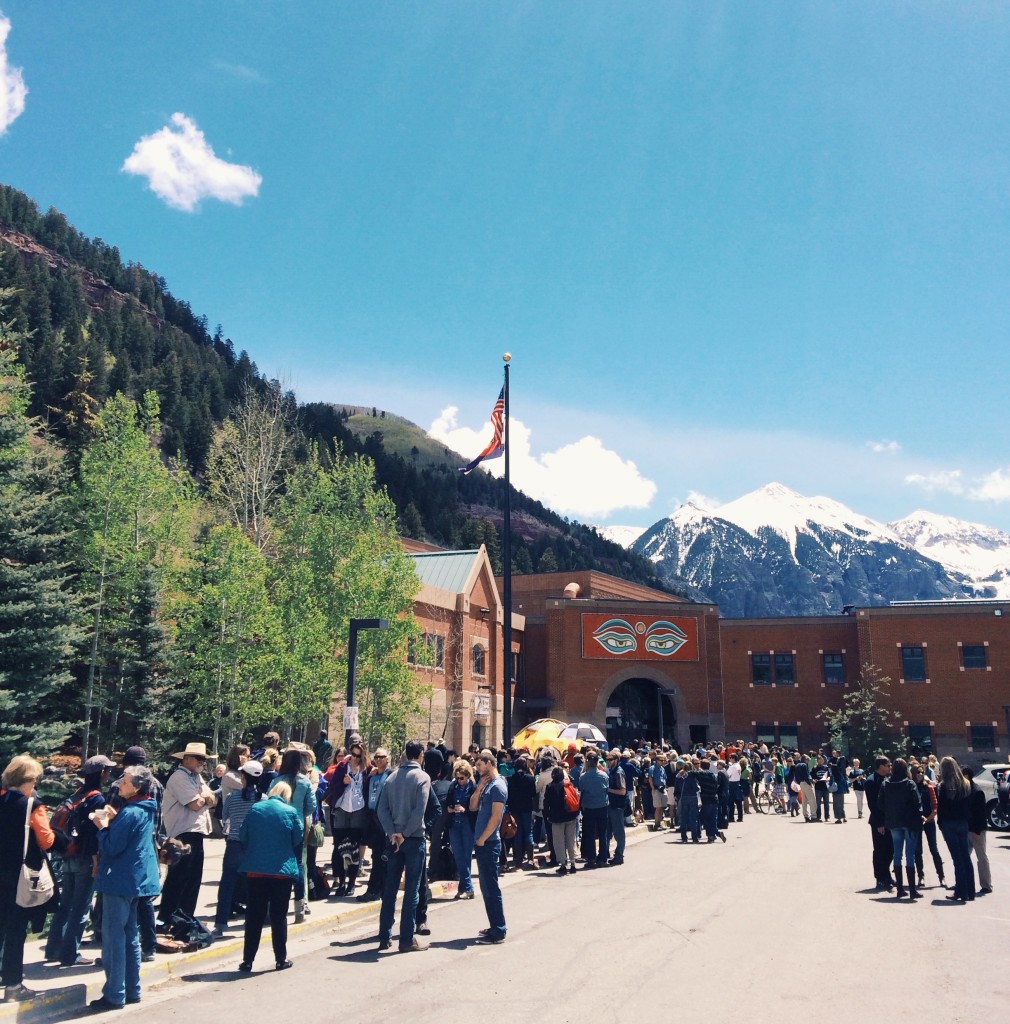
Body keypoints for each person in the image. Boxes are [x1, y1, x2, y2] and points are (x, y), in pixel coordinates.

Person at [89, 765, 160, 1011]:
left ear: (137, 786)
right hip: (136, 880)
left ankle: (114, 994)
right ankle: (132, 989)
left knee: (114, 938)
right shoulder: (145, 808)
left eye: (125, 781)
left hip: (119, 879)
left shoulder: (131, 813)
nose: (119, 784)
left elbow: (112, 846)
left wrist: (103, 826)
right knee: (130, 936)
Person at [44, 754, 114, 968]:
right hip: (85, 858)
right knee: (81, 907)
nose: (109, 774)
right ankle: (70, 954)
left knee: (65, 905)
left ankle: (53, 949)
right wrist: (96, 862)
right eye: (108, 770)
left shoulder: (77, 794)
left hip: (68, 856)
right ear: (102, 773)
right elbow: (94, 835)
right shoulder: (98, 799)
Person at [0, 755, 55, 1003]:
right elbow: (47, 840)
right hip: (18, 875)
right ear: (30, 779)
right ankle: (13, 984)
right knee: (15, 930)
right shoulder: (32, 805)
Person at [237, 780, 304, 973]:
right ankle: (280, 959)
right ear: (287, 795)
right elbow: (297, 838)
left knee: (254, 916)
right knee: (278, 916)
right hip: (281, 872)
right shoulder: (290, 812)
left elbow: (243, 836)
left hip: (255, 870)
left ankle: (247, 960)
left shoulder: (256, 809)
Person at [376, 740, 431, 953]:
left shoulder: (391, 778)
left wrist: (393, 833)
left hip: (394, 839)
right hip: (413, 838)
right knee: (412, 890)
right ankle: (406, 938)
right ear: (420, 755)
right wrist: (405, 834)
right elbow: (420, 811)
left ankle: (384, 935)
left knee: (389, 889)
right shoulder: (422, 777)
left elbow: (381, 810)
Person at [158, 742, 216, 928]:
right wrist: (203, 797)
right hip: (183, 834)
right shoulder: (179, 777)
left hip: (196, 832)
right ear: (187, 759)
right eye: (200, 759)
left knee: (192, 880)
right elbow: (195, 804)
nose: (203, 763)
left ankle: (185, 917)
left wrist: (204, 797)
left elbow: (212, 799)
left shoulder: (196, 777)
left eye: (205, 759)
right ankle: (168, 918)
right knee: (179, 879)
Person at [215, 760, 262, 936]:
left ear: (243, 777)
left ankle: (221, 923)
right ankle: (252, 921)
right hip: (255, 846)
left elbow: (225, 815)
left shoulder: (232, 798)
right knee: (254, 886)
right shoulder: (263, 800)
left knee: (227, 884)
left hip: (235, 844)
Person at [470, 749, 508, 944]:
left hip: (489, 843)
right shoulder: (486, 785)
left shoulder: (498, 787)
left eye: (479, 765)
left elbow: (496, 817)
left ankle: (499, 930)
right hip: (482, 842)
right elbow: (472, 807)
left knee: (491, 887)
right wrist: (478, 789)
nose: (477, 769)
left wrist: (483, 839)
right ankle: (494, 925)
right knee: (486, 887)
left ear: (489, 764)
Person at [327, 741, 370, 898]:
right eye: (354, 755)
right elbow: (333, 787)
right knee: (339, 847)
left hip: (358, 810)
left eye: (359, 755)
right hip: (342, 808)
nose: (356, 758)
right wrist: (343, 783)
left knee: (354, 848)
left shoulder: (366, 770)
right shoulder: (342, 767)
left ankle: (351, 883)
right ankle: (341, 882)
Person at [277, 747, 315, 920]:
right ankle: (299, 907)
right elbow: (311, 806)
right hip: (298, 825)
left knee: (280, 864)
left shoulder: (277, 781)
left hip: (279, 826)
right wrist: (300, 813)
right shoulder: (305, 782)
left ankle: (279, 904)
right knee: (298, 865)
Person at [880, 758, 922, 899]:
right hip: (909, 822)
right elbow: (917, 803)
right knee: (910, 855)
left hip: (893, 822)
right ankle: (912, 890)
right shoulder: (910, 784)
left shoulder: (886, 784)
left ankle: (899, 889)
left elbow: (880, 804)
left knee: (897, 854)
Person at [936, 756, 975, 903]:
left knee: (957, 858)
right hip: (963, 822)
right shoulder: (965, 784)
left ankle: (960, 891)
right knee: (965, 857)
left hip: (949, 823)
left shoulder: (944, 786)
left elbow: (942, 808)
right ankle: (970, 891)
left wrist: (940, 824)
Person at [357, 748, 392, 902]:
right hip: (372, 818)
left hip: (384, 820)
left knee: (382, 857)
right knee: (376, 855)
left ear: (388, 758)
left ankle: (377, 889)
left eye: (381, 757)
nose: (378, 759)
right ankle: (376, 889)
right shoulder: (372, 775)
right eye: (376, 757)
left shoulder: (391, 775)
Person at [910, 763, 944, 889]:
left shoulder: (929, 787)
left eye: (921, 772)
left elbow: (935, 805)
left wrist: (930, 816)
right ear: (913, 774)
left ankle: (941, 876)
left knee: (934, 849)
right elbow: (910, 806)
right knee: (918, 851)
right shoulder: (911, 787)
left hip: (929, 820)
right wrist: (919, 817)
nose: (920, 774)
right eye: (917, 772)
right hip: (917, 821)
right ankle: (921, 876)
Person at [446, 759, 477, 897]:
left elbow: (477, 808)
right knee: (458, 855)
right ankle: (465, 887)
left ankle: (466, 887)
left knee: (466, 855)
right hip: (454, 823)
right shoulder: (453, 786)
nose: (459, 780)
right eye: (457, 778)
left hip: (467, 823)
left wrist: (466, 810)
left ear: (468, 776)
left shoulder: (473, 787)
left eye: (462, 778)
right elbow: (447, 803)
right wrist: (451, 809)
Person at [863, 756, 894, 891]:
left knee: (891, 849)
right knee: (880, 850)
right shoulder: (871, 781)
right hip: (878, 822)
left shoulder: (888, 778)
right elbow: (873, 805)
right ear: (881, 766)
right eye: (888, 765)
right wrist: (880, 823)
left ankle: (887, 875)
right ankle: (880, 877)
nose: (890, 767)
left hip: (890, 820)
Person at [962, 766, 992, 896]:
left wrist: (977, 832)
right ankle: (962, 882)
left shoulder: (977, 792)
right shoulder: (965, 791)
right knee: (963, 857)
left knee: (981, 858)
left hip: (977, 830)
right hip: (966, 829)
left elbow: (981, 815)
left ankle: (986, 885)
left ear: (967, 776)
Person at [543, 765, 579, 874]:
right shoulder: (568, 785)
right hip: (570, 816)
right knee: (571, 841)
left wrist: (548, 815)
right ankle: (573, 863)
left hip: (556, 818)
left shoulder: (550, 786)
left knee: (559, 842)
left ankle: (563, 864)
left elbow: (546, 803)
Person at [577, 751, 610, 867]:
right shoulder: (604, 775)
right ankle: (603, 858)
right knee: (602, 833)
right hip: (602, 806)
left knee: (590, 834)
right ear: (597, 762)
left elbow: (581, 790)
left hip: (589, 807)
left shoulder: (583, 777)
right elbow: (607, 790)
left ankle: (591, 859)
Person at [506, 757, 537, 870]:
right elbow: (533, 793)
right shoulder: (530, 778)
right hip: (527, 808)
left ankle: (518, 859)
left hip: (514, 808)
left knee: (517, 833)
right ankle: (530, 859)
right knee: (528, 832)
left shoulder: (511, 779)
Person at [605, 750, 626, 865]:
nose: (608, 761)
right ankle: (605, 853)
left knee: (619, 833)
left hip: (617, 806)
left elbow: (622, 791)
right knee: (608, 831)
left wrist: (608, 790)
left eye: (610, 759)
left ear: (616, 760)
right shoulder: (610, 771)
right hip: (611, 805)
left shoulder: (618, 772)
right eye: (607, 759)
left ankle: (619, 856)